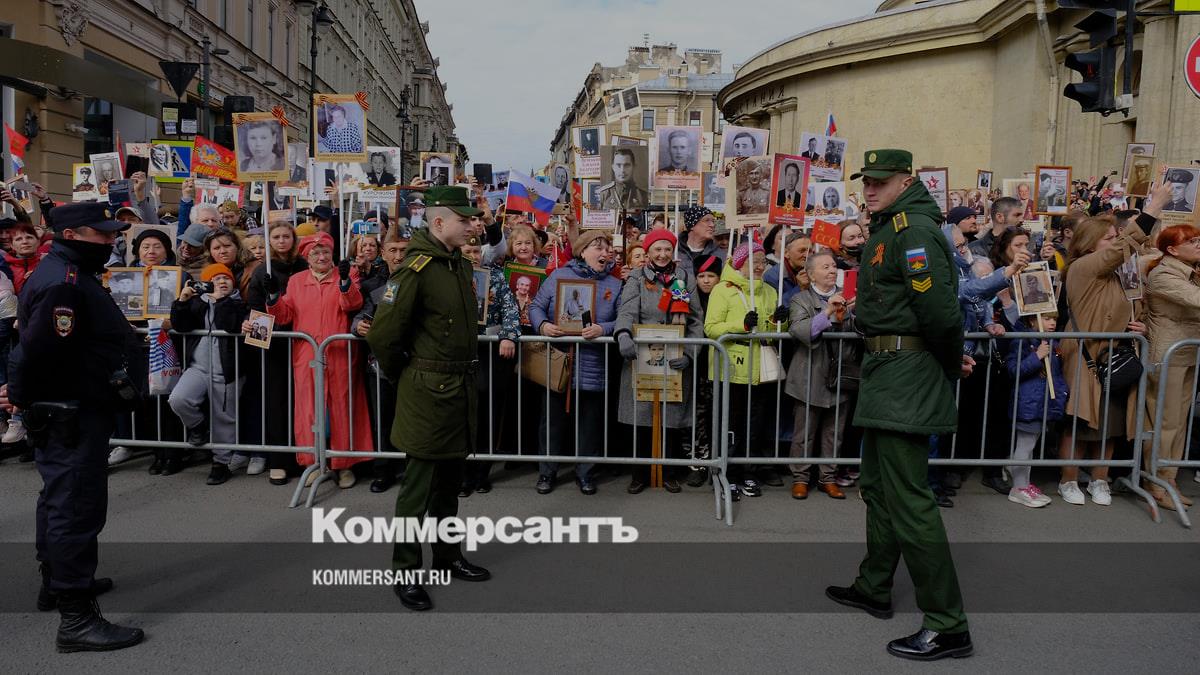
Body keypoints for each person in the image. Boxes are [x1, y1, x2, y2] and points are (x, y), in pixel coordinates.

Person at [824, 149, 973, 661]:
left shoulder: (912, 231)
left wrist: (949, 362)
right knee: (877, 487)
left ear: (905, 182)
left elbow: (940, 312)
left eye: (880, 181)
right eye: (866, 181)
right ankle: (874, 586)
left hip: (905, 374)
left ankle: (948, 624)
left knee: (910, 500)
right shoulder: (891, 227)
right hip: (887, 370)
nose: (870, 189)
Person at [3, 202, 145, 651]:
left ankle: (57, 583)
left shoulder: (70, 274)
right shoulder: (63, 283)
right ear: (73, 235)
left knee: (59, 502)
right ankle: (77, 618)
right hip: (71, 412)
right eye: (102, 234)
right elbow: (35, 351)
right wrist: (20, 396)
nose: (111, 240)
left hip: (74, 407)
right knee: (75, 509)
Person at [365, 186, 492, 610]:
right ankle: (404, 572)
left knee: (448, 486)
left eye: (472, 219)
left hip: (457, 389)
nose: (472, 225)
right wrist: (407, 373)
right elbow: (383, 335)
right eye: (463, 219)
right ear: (439, 222)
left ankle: (447, 555)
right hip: (427, 392)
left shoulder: (457, 263)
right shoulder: (415, 270)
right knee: (417, 491)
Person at [1056, 192, 1165, 506]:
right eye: (1109, 238)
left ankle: (1099, 479)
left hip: (1118, 355)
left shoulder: (1125, 272)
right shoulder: (1082, 267)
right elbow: (1124, 248)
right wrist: (1153, 207)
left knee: (1111, 423)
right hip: (1087, 355)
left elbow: (1137, 307)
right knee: (1080, 422)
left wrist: (1141, 325)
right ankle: (1068, 480)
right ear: (1090, 244)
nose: (1116, 243)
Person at [265, 232, 373, 489]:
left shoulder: (345, 275)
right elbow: (284, 315)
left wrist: (345, 282)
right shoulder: (296, 281)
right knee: (309, 409)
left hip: (339, 352)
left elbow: (352, 304)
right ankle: (312, 462)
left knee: (342, 407)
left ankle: (344, 465)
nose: (322, 257)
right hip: (307, 354)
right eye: (315, 253)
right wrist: (273, 297)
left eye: (325, 252)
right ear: (307, 257)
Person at [529, 229, 622, 495]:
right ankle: (547, 472)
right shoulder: (559, 275)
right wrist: (543, 325)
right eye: (598, 247)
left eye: (607, 249)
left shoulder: (615, 284)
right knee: (552, 421)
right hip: (559, 360)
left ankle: (585, 474)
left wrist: (602, 329)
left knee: (590, 423)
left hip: (593, 362)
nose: (604, 253)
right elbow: (536, 306)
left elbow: (621, 319)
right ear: (582, 251)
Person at [613, 228, 703, 493]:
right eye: (657, 249)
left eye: (667, 249)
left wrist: (690, 353)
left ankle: (668, 472)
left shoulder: (684, 277)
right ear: (648, 252)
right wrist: (623, 335)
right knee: (642, 417)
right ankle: (640, 474)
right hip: (643, 356)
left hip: (675, 355)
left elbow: (696, 319)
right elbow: (627, 310)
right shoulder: (637, 277)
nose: (662, 254)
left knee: (670, 418)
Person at [704, 241, 785, 498]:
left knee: (754, 423)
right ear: (740, 264)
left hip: (758, 367)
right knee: (730, 422)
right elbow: (711, 328)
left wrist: (778, 321)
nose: (760, 267)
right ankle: (726, 472)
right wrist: (741, 324)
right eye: (754, 262)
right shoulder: (722, 290)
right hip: (730, 366)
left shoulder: (769, 291)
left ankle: (748, 471)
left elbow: (771, 331)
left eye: (763, 262)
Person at [168, 263, 250, 485]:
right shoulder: (197, 302)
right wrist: (182, 301)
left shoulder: (239, 304)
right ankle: (198, 427)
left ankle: (220, 463)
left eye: (226, 278)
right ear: (206, 283)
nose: (222, 281)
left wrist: (221, 301)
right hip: (198, 367)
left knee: (224, 418)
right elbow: (181, 326)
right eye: (216, 279)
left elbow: (230, 325)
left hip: (227, 370)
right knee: (178, 399)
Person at [786, 250, 857, 500]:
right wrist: (827, 312)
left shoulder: (850, 297)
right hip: (809, 373)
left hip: (841, 374)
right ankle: (800, 478)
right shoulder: (800, 299)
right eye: (825, 267)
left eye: (833, 266)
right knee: (804, 433)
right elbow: (801, 331)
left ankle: (828, 477)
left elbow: (862, 331)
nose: (831, 270)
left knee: (834, 433)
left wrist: (856, 311)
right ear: (811, 274)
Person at [243, 221, 307, 486]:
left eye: (286, 236)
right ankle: (279, 461)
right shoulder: (262, 271)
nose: (282, 241)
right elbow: (255, 308)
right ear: (270, 240)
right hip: (274, 345)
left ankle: (304, 456)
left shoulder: (304, 266)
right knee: (276, 401)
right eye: (277, 237)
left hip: (304, 341)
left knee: (303, 401)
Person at [1140, 224, 1200, 510]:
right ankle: (1156, 481)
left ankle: (1169, 478)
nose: (1198, 244)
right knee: (1165, 422)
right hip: (1167, 355)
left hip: (1187, 353)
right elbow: (1195, 300)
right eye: (1191, 241)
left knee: (1179, 421)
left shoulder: (1189, 272)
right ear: (1172, 250)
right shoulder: (1164, 274)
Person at [1004, 314, 1066, 508]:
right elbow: (1014, 370)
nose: (1052, 323)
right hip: (1028, 403)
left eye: (1054, 319)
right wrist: (1036, 356)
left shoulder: (1051, 342)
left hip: (1041, 403)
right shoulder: (1022, 339)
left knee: (1029, 446)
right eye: (1047, 318)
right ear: (1032, 320)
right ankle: (1018, 488)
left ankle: (1023, 483)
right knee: (1025, 444)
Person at [674, 205, 726, 279]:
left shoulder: (720, 255)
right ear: (692, 225)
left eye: (713, 221)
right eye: (707, 220)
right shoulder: (674, 252)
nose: (712, 225)